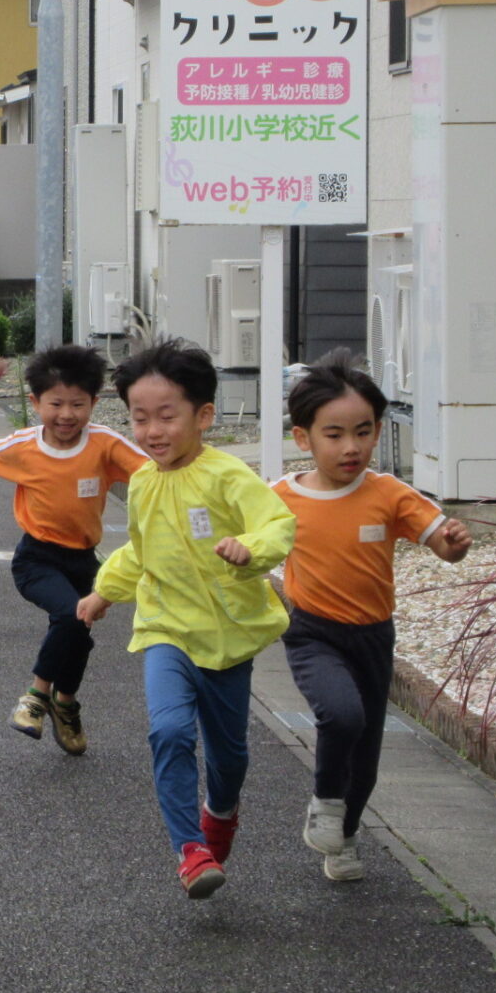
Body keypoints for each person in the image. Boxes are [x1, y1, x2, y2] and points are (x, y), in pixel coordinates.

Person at [75, 339, 297, 901]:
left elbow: (277, 523)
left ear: (203, 416)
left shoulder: (227, 476)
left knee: (229, 756)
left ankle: (220, 811)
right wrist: (104, 592)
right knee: (168, 731)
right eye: (139, 418)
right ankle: (190, 848)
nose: (151, 431)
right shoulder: (144, 480)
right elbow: (141, 550)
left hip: (227, 637)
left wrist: (251, 548)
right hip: (165, 628)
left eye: (166, 416)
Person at [273, 351, 471, 882]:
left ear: (378, 431)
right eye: (334, 434)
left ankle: (346, 835)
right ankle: (324, 803)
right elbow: (246, 543)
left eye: (363, 432)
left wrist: (454, 544)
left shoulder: (387, 493)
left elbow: (443, 544)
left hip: (374, 636)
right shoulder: (279, 499)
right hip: (312, 632)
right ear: (303, 438)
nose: (351, 447)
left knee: (366, 757)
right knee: (342, 715)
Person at [0, 345, 146, 755]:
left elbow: (153, 474)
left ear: (94, 402)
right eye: (55, 403)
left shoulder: (104, 444)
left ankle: (65, 704)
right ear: (35, 403)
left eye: (78, 404)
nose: (66, 414)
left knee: (78, 635)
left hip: (85, 562)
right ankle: (36, 697)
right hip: (36, 558)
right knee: (71, 619)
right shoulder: (25, 446)